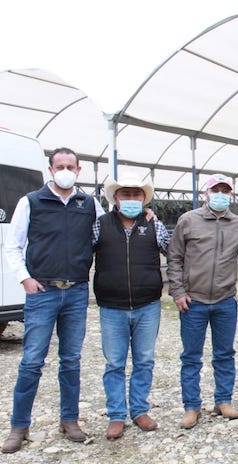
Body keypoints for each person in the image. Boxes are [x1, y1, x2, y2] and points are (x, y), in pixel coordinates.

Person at [1, 147, 105, 453]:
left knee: (71, 360)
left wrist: (146, 214)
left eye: (70, 166)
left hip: (75, 292)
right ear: (50, 169)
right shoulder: (31, 201)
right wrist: (25, 278)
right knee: (32, 360)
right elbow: (13, 245)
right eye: (59, 165)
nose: (65, 170)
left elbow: (106, 233)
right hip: (42, 292)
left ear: (78, 170)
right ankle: (19, 426)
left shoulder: (89, 203)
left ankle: (69, 420)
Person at [167, 174, 238, 429]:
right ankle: (191, 406)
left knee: (224, 354)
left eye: (225, 190)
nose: (220, 194)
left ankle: (223, 400)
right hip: (193, 301)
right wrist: (177, 291)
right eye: (215, 190)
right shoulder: (188, 221)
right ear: (205, 194)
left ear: (231, 195)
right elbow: (174, 257)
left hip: (225, 300)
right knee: (191, 357)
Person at [93, 173, 170, 440]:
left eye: (136, 195)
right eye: (125, 194)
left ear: (143, 199)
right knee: (114, 363)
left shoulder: (153, 226)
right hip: (112, 306)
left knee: (144, 360)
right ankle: (116, 415)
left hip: (147, 304)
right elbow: (82, 253)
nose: (131, 199)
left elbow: (173, 251)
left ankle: (139, 410)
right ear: (115, 198)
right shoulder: (100, 225)